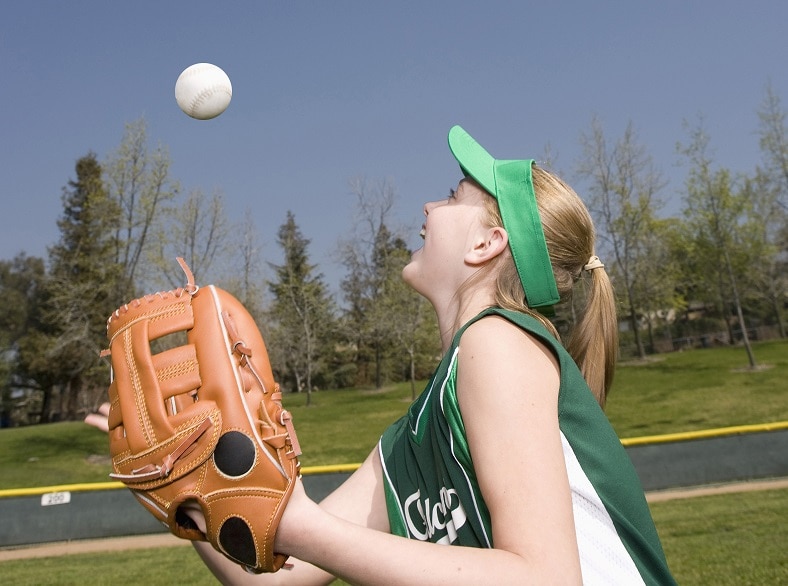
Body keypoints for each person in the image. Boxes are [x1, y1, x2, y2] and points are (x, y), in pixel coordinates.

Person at [89, 126, 676, 585]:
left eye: (452, 197)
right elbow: (277, 578)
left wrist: (299, 524)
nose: (429, 206)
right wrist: (182, 486)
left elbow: (544, 580)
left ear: (487, 243)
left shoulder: (499, 341)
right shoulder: (414, 436)